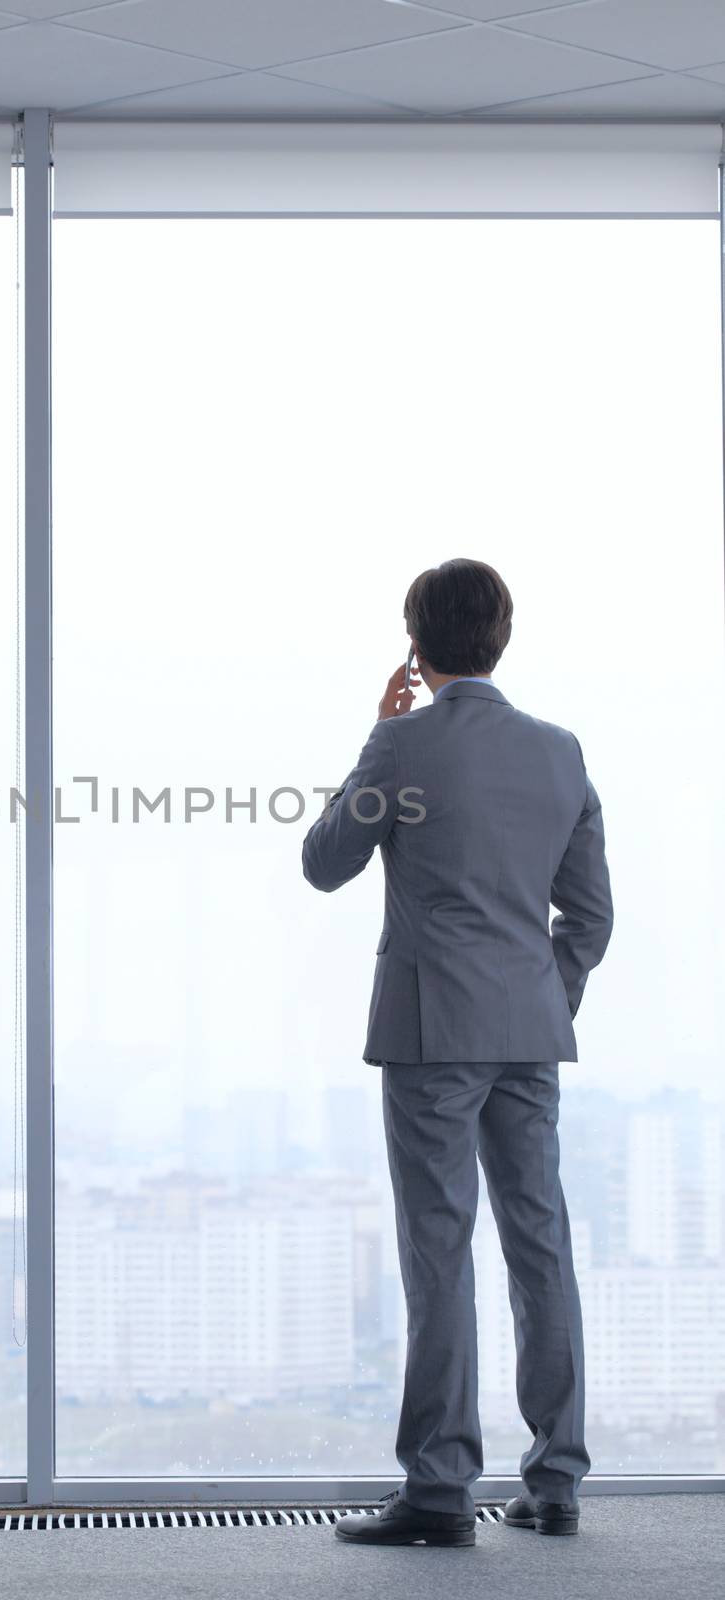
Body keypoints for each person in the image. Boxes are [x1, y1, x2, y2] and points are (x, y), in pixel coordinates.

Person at [302, 558, 612, 1549]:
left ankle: (437, 1492)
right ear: (501, 634)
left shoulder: (400, 743)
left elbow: (322, 863)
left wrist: (373, 738)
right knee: (539, 1244)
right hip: (527, 1031)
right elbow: (589, 913)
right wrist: (538, 993)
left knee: (438, 1251)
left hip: (433, 1033)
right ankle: (554, 1482)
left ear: (414, 640)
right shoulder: (559, 752)